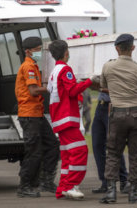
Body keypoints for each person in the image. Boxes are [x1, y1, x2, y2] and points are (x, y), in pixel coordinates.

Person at [100, 34, 137, 204]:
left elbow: (103, 85)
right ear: (133, 48)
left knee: (113, 152)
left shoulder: (108, 67)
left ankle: (112, 192)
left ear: (116, 48)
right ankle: (133, 192)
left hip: (118, 114)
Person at [47, 40, 99, 199]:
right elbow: (72, 90)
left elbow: (55, 91)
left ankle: (62, 188)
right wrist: (90, 81)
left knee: (68, 155)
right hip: (67, 118)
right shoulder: (65, 69)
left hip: (58, 119)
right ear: (66, 52)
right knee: (80, 150)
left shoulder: (53, 71)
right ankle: (70, 186)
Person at [15, 37, 59, 198]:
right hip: (29, 115)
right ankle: (24, 186)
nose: (40, 52)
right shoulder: (28, 67)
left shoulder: (33, 65)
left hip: (36, 114)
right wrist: (50, 87)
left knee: (53, 145)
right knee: (34, 151)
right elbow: (33, 91)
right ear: (28, 51)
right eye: (38, 49)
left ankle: (46, 181)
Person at [91, 91, 128, 194]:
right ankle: (105, 182)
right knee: (97, 145)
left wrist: (100, 86)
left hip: (114, 105)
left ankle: (123, 180)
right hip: (101, 105)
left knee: (114, 144)